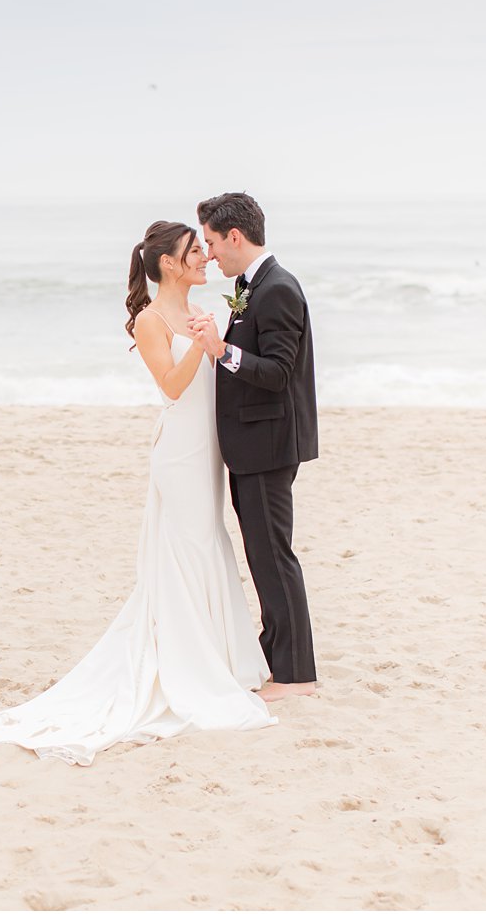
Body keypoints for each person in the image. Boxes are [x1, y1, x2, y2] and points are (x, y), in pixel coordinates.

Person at [0, 220, 275, 765]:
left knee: (208, 545)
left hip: (211, 449)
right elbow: (173, 389)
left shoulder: (210, 310)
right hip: (180, 453)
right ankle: (189, 666)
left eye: (204, 248)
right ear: (169, 265)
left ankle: (220, 660)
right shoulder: (152, 320)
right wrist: (203, 345)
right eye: (194, 250)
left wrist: (215, 340)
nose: (205, 256)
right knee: (187, 549)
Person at [188, 192, 320, 700]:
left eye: (214, 242)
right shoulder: (252, 287)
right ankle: (275, 655)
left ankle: (296, 676)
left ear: (235, 237)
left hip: (268, 445)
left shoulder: (277, 289)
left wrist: (223, 352)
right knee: (262, 554)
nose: (211, 253)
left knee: (273, 556)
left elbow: (280, 373)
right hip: (252, 444)